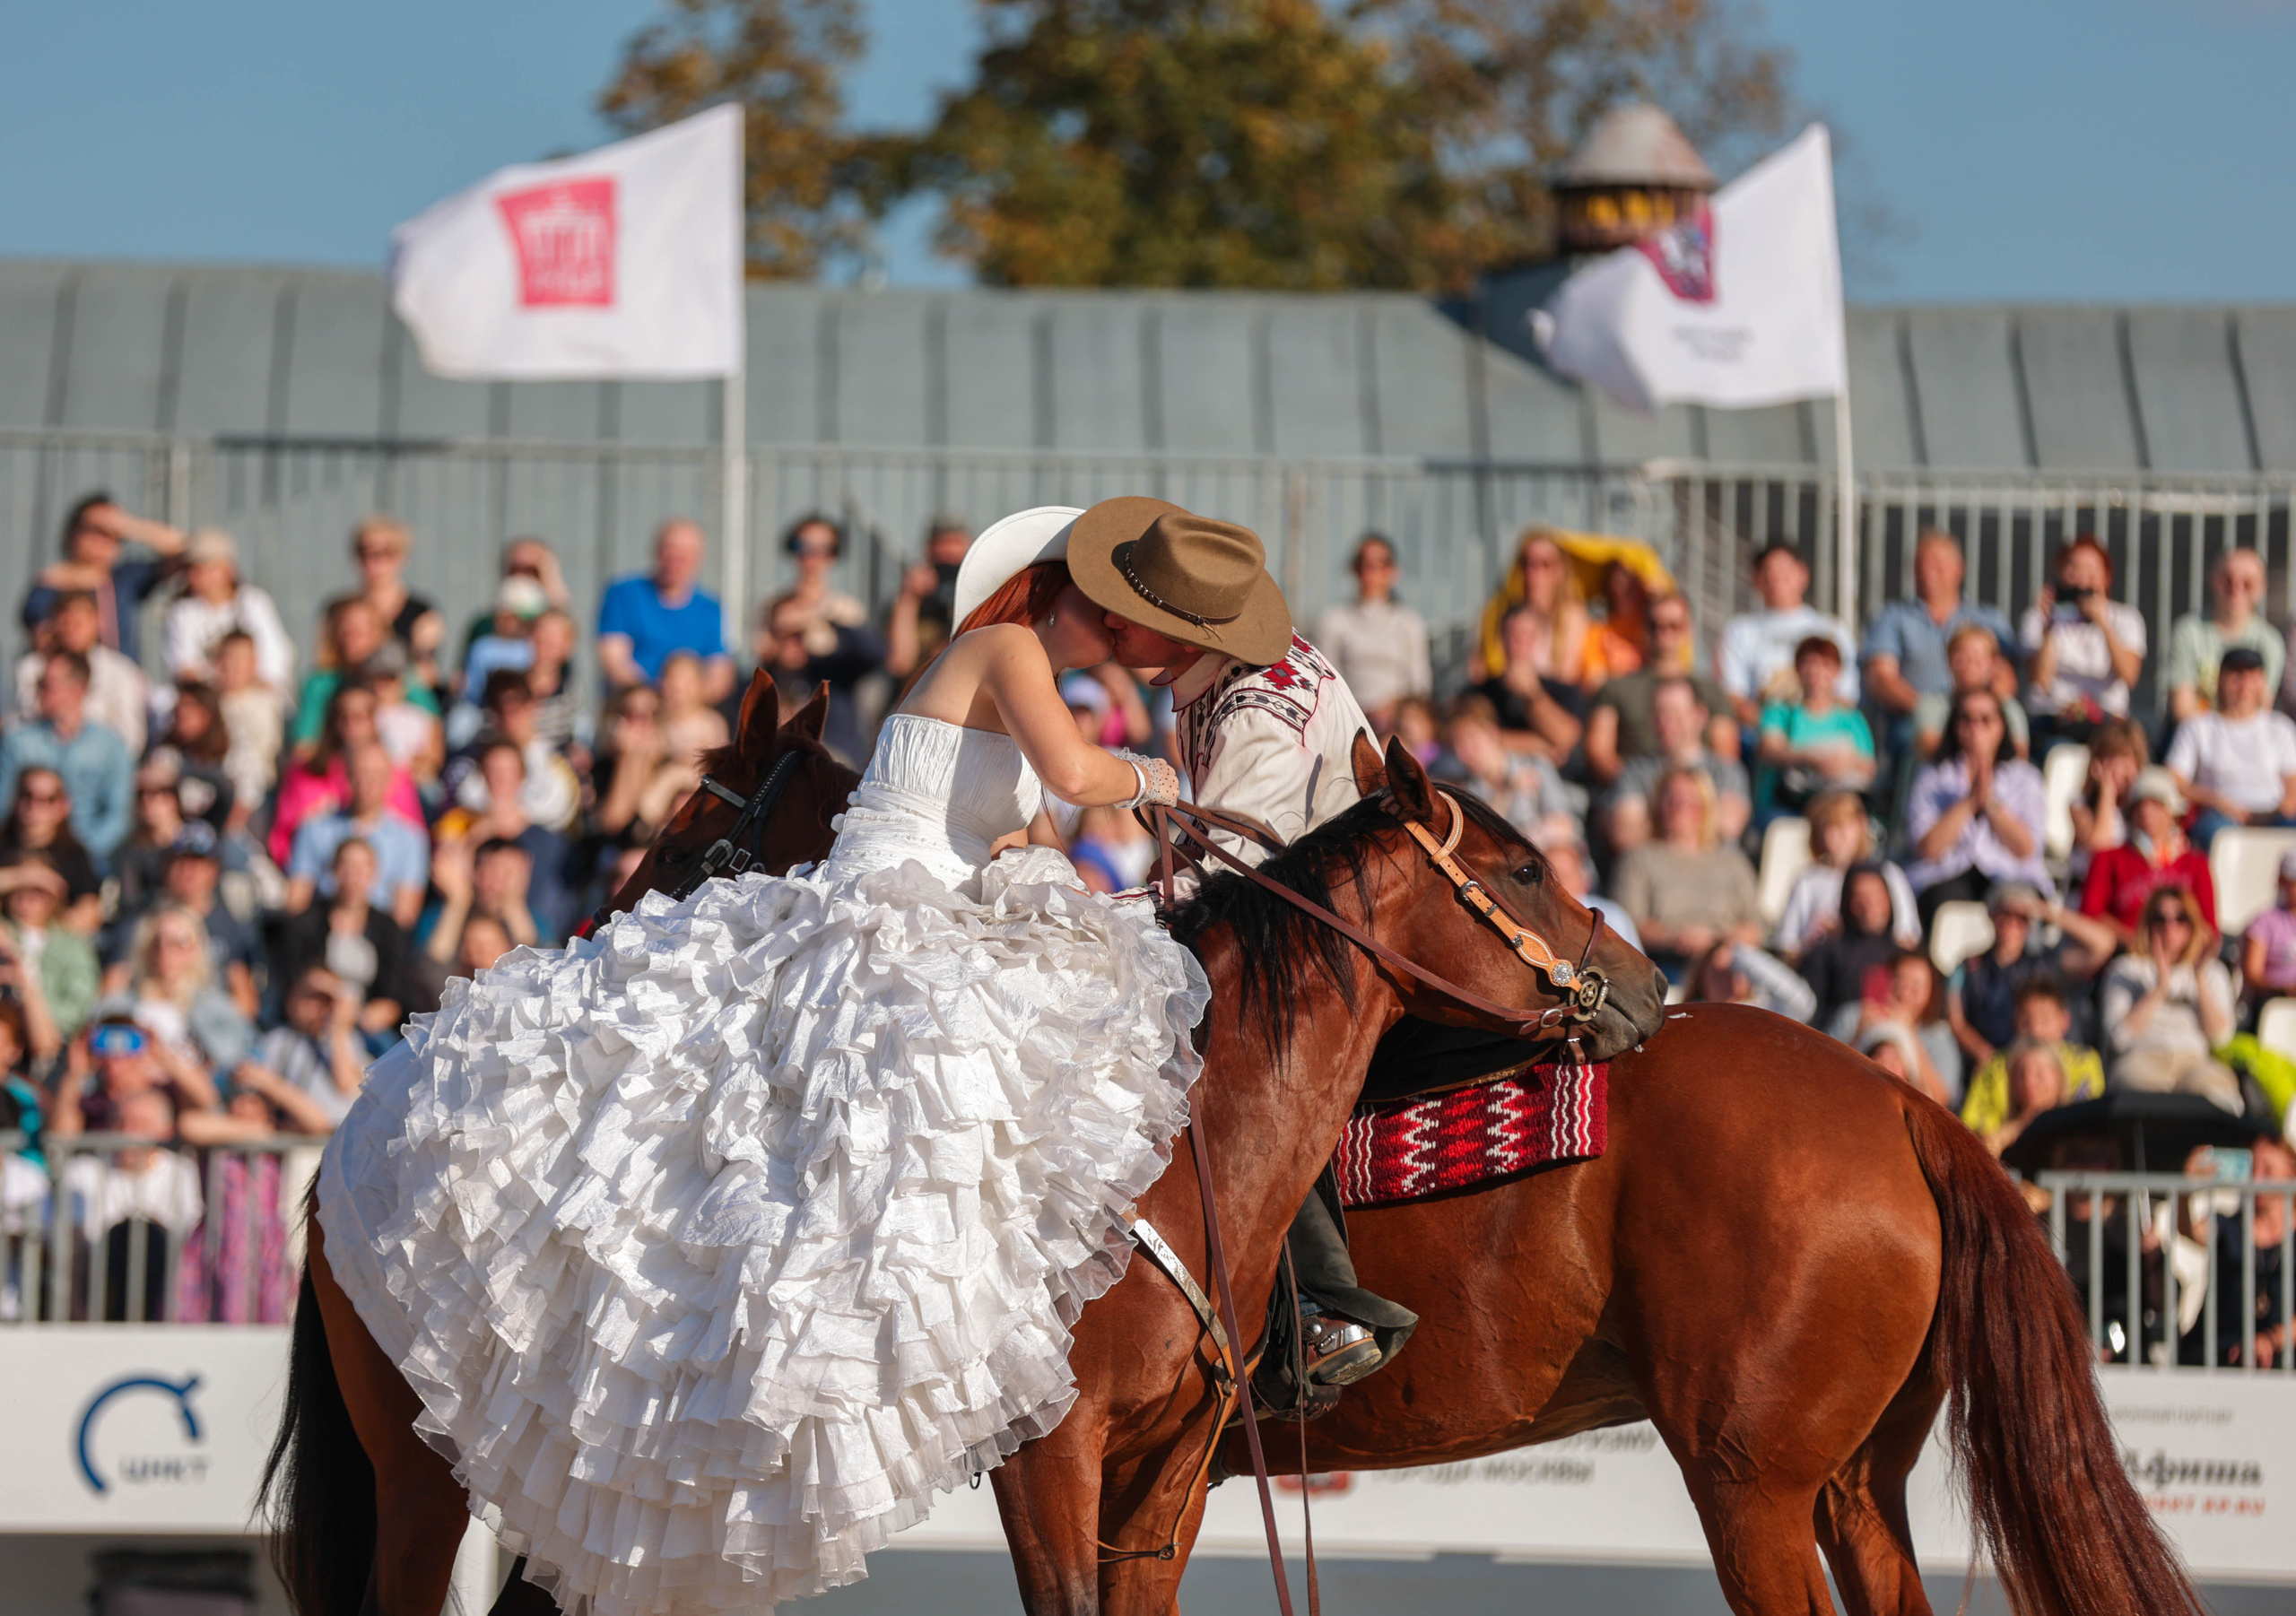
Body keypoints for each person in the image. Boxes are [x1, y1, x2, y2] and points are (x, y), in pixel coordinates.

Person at [316, 522, 1207, 1616]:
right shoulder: (1006, 643)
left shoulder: (1015, 685)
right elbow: (1080, 776)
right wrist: (1167, 775)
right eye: (1109, 606)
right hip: (882, 914)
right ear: (1053, 592)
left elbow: (1031, 843)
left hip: (934, 922)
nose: (1121, 630)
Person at [1046, 497, 1418, 1389]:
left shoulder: (1254, 715)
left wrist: (1087, 916)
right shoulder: (1230, 673)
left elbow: (1226, 888)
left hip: (1331, 935)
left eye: (1117, 608)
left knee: (1217, 1055)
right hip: (1319, 904)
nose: (1101, 616)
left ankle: (1323, 1305)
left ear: (1169, 630)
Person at [1901, 689, 2049, 925]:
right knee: (1941, 908)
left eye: (1985, 719)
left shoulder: (2026, 777)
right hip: (1949, 874)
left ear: (2002, 725)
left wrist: (1990, 804)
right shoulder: (1933, 775)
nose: (1975, 727)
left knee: (2018, 907)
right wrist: (1969, 802)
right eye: (1966, 718)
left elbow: (2026, 848)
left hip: (2010, 873)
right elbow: (1928, 847)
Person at [1859, 527, 2017, 749]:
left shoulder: (1989, 619)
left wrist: (1971, 714)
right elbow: (1880, 679)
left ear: (1959, 569)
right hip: (1912, 726)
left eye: (1937, 564)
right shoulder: (1892, 617)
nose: (1927, 572)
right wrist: (1932, 713)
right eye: (1920, 564)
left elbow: (2006, 677)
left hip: (1980, 723)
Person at [2098, 884, 2241, 1113]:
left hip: (2194, 1060)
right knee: (2140, 1096)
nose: (2169, 926)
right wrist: (2159, 989)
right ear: (2147, 922)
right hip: (2141, 1057)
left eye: (2180, 918)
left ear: (2193, 924)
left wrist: (2199, 979)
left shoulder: (2211, 971)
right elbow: (2118, 1037)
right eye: (2160, 918)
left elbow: (2221, 1038)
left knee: (2219, 1096)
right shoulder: (2126, 969)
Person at [1943, 882, 2115, 1070]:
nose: (2011, 924)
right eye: (2004, 914)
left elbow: (2104, 945)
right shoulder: (1968, 966)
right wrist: (1986, 1054)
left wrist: (2044, 910)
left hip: (2044, 1064)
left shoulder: (2046, 962)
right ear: (1992, 917)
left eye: (2021, 918)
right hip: (1990, 1065)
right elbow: (1956, 1022)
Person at [1613, 766, 1763, 979]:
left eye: (1690, 799)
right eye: (1672, 798)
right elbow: (1627, 924)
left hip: (1726, 962)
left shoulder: (1732, 862)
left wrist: (1715, 940)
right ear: (1658, 805)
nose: (1680, 806)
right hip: (1663, 963)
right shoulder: (1639, 859)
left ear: (1706, 806)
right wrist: (1677, 938)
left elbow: (1754, 928)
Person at [1584, 592, 1737, 793]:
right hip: (1634, 793)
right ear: (1644, 628)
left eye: (1673, 626)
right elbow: (1599, 752)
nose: (1663, 633)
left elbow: (1725, 757)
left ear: (1689, 629)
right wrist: (1638, 787)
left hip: (1696, 798)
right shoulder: (1616, 687)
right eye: (1655, 625)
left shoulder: (1712, 691)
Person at [21, 492, 187, 666]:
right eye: (92, 530)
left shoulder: (124, 579)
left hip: (121, 684)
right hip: (73, 683)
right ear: (73, 533)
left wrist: (129, 525)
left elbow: (183, 552)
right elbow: (42, 640)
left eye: (111, 533)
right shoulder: (49, 585)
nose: (101, 540)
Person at [269, 682, 425, 869]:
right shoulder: (305, 772)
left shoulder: (398, 775)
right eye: (343, 716)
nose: (351, 725)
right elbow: (282, 839)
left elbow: (412, 842)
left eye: (360, 717)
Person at [270, 838, 413, 1039]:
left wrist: (384, 1009)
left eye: (362, 868)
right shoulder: (306, 923)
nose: (354, 876)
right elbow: (295, 979)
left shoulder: (388, 929)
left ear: (375, 874)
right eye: (347, 866)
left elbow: (395, 992)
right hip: (317, 1021)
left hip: (368, 1025)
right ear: (334, 870)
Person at [0, 652, 133, 864]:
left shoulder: (110, 746)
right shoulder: (17, 742)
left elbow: (119, 816)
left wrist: (80, 856)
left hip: (89, 858)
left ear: (78, 688)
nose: (39, 692)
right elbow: (4, 805)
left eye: (47, 684)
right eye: (38, 684)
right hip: (25, 854)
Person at [102, 901, 256, 1085]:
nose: (166, 952)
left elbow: (236, 1065)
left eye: (180, 942)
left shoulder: (215, 1007)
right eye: (157, 941)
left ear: (197, 948)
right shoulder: (120, 1004)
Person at [2020, 535, 2147, 752]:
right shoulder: (2038, 618)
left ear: (2106, 576)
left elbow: (2129, 675)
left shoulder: (2126, 618)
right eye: (2073, 568)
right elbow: (2040, 679)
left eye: (2090, 569)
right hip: (2053, 719)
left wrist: (2103, 624)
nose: (2081, 578)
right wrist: (2051, 623)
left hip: (2108, 720)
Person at [1599, 675, 1751, 855]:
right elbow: (1625, 833)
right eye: (1659, 713)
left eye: (1675, 712)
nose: (1666, 721)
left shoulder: (1726, 771)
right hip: (1655, 875)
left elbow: (1729, 826)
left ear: (1699, 715)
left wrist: (1658, 821)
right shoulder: (1635, 771)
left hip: (1713, 874)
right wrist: (1698, 818)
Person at [2164, 645, 2296, 848]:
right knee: (2213, 831)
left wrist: (2270, 814)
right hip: (2217, 816)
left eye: (2251, 676)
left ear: (2262, 681)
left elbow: (2292, 787)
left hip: (2273, 817)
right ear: (2220, 679)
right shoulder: (2197, 727)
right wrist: (2215, 800)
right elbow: (2174, 780)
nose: (2243, 685)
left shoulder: (2280, 728)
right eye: (2236, 676)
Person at [1717, 542, 1858, 728]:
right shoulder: (1739, 630)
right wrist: (1774, 729)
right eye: (1769, 573)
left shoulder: (1832, 629)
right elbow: (1733, 697)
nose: (1776, 579)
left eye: (1785, 571)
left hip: (1822, 733)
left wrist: (1806, 728)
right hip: (1759, 734)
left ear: (1803, 575)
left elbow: (1846, 698)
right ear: (1756, 579)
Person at [287, 744, 430, 926]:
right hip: (322, 929)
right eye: (360, 773)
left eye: (376, 775)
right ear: (346, 776)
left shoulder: (411, 839)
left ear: (390, 781)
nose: (367, 783)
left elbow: (405, 914)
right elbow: (297, 898)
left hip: (379, 937)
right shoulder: (314, 828)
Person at [1771, 791, 1919, 960]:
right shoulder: (1808, 880)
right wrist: (1816, 940)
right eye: (1827, 829)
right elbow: (1787, 946)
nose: (1834, 838)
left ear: (1861, 824)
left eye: (1842, 827)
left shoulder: (1888, 875)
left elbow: (1907, 939)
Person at [597, 519, 733, 699]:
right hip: (635, 704)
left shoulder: (710, 608)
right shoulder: (624, 595)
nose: (678, 558)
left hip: (688, 708)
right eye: (671, 549)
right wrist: (653, 697)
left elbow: (719, 672)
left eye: (687, 552)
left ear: (699, 558)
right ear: (656, 551)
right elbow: (615, 660)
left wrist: (686, 702)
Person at [1960, 978, 2106, 1143]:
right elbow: (1975, 1130)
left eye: (2044, 1019)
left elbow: (2088, 1120)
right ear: (2014, 1021)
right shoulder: (1992, 1068)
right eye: (2026, 1021)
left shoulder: (2085, 1061)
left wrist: (2032, 1120)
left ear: (2064, 1021)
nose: (2035, 1029)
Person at [2081, 767, 2217, 943]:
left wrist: (2176, 947)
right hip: (2124, 957)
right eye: (2139, 805)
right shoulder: (2108, 858)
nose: (2146, 812)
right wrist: (2134, 941)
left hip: (2184, 961)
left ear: (2174, 813)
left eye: (2156, 804)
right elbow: (2090, 915)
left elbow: (2209, 929)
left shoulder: (2197, 863)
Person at [1314, 534, 1431, 735]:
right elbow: (1325, 681)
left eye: (1381, 565)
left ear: (1393, 572)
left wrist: (1394, 708)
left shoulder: (1409, 622)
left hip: (1399, 721)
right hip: (1349, 717)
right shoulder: (1333, 621)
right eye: (1365, 564)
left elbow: (1420, 686)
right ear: (1355, 570)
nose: (1372, 573)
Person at [161, 528, 296, 698]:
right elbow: (184, 669)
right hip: (207, 700)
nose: (196, 576)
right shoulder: (182, 612)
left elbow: (275, 661)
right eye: (192, 569)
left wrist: (242, 683)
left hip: (255, 695)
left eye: (205, 569)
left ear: (227, 569)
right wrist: (227, 679)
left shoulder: (254, 602)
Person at [760, 590, 889, 767]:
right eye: (783, 634)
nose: (792, 643)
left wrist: (828, 618)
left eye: (799, 634)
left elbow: (875, 654)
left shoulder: (831, 672)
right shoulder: (762, 683)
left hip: (834, 773)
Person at [16, 588, 149, 756]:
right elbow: (26, 721)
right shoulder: (32, 667)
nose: (72, 628)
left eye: (79, 621)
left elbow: (131, 737)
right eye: (66, 621)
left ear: (98, 622)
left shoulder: (122, 671)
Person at [1435, 695, 1578, 848]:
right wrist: (1507, 794)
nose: (1465, 751)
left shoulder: (1535, 765)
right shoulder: (1467, 792)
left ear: (1492, 733)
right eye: (1457, 744)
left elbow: (1567, 826)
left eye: (1471, 738)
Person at [1752, 636, 1874, 817]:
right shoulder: (1780, 711)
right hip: (1786, 804)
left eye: (1825, 664)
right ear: (1797, 667)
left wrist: (1844, 762)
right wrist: (1810, 758)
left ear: (1837, 671)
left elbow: (1868, 767)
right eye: (1809, 663)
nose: (1816, 672)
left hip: (1837, 806)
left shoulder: (1852, 719)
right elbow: (1769, 749)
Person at [330, 516, 447, 698]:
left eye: (386, 553)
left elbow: (427, 675)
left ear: (402, 557)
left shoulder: (422, 613)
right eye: (365, 552)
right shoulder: (338, 609)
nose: (374, 561)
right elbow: (325, 665)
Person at [1830, 949, 1957, 1106]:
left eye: (1916, 984)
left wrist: (1910, 1035)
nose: (1905, 990)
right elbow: (1825, 1076)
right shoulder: (1853, 1016)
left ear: (1931, 992)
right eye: (1899, 978)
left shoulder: (1938, 1035)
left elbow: (1941, 1101)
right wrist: (1858, 1035)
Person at [247, 965, 370, 1126]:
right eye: (310, 997)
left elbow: (347, 1086)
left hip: (338, 1134)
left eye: (326, 1000)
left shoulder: (346, 1038)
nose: (316, 1006)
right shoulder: (276, 1040)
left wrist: (338, 1026)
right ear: (292, 996)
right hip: (295, 1138)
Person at [2168, 547, 2281, 722]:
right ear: (2213, 579)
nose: (2236, 589)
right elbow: (2182, 710)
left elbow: (2261, 710)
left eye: (2247, 583)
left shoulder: (2270, 642)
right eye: (2228, 580)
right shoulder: (2188, 631)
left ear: (2262, 587)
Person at [1474, 526, 1589, 695]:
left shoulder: (1572, 616)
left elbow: (1567, 679)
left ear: (1560, 570)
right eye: (1528, 563)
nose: (1534, 573)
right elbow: (1479, 672)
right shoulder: (1496, 612)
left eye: (1545, 564)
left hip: (1551, 702)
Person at [1, 853, 94, 1053]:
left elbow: (75, 1009)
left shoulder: (73, 945)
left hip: (50, 1046)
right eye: (20, 887)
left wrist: (31, 1007)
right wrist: (20, 876)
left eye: (38, 889)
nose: (27, 896)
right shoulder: (3, 931)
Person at [1796, 864, 1907, 1031]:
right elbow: (1809, 1019)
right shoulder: (1825, 955)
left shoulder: (1907, 957)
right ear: (1847, 902)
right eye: (1860, 897)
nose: (1870, 906)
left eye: (1876, 895)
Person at [1470, 605, 1585, 761]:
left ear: (1541, 640)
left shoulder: (1564, 691)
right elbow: (1468, 736)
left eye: (1527, 634)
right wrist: (1538, 745)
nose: (1518, 641)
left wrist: (1532, 693)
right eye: (1512, 633)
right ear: (1501, 638)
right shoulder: (1480, 692)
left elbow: (1567, 738)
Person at [0, 768, 102, 933]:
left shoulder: (74, 854)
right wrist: (28, 876)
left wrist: (44, 931)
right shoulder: (3, 843)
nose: (34, 805)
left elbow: (90, 909)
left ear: (63, 805)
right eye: (28, 795)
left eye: (47, 799)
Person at [1911, 622, 2030, 760]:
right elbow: (1929, 749)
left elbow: (2019, 757)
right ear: (1949, 660)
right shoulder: (1932, 703)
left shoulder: (2008, 708)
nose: (1969, 663)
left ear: (1994, 664)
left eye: (1978, 656)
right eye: (1961, 656)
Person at [883, 514, 975, 679]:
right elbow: (900, 663)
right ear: (928, 550)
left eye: (955, 543)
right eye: (941, 544)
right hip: (918, 687)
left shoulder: (982, 592)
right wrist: (909, 599)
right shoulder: (910, 598)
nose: (948, 552)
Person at [215, 629, 286, 812]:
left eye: (242, 659)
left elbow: (271, 748)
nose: (234, 666)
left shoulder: (269, 702)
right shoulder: (209, 704)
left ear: (254, 664)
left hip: (260, 792)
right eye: (228, 658)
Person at [2067, 717, 2146, 880]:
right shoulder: (2081, 805)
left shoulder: (2141, 810)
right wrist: (2107, 792)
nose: (2120, 771)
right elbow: (2100, 851)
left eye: (2127, 763)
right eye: (2112, 761)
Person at [1973, 1043, 2074, 1158]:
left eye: (2039, 1073)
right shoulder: (2001, 1138)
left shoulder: (2076, 1128)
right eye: (2021, 1074)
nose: (2029, 1082)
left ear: (2059, 1078)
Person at [1685, 938, 1817, 1022]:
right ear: (1702, 983)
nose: (1728, 982)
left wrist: (1739, 954)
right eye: (1718, 975)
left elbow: (1803, 1003)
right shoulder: (1694, 1019)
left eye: (1734, 971)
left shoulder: (1765, 1013)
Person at [1579, 560, 1652, 691]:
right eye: (1620, 581)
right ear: (1609, 584)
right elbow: (1593, 679)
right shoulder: (1598, 630)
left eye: (1632, 581)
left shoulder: (1654, 626)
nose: (1626, 587)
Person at [2240, 849, 2296, 1005]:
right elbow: (2252, 975)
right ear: (2281, 881)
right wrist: (2285, 989)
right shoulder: (2264, 922)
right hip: (2272, 1004)